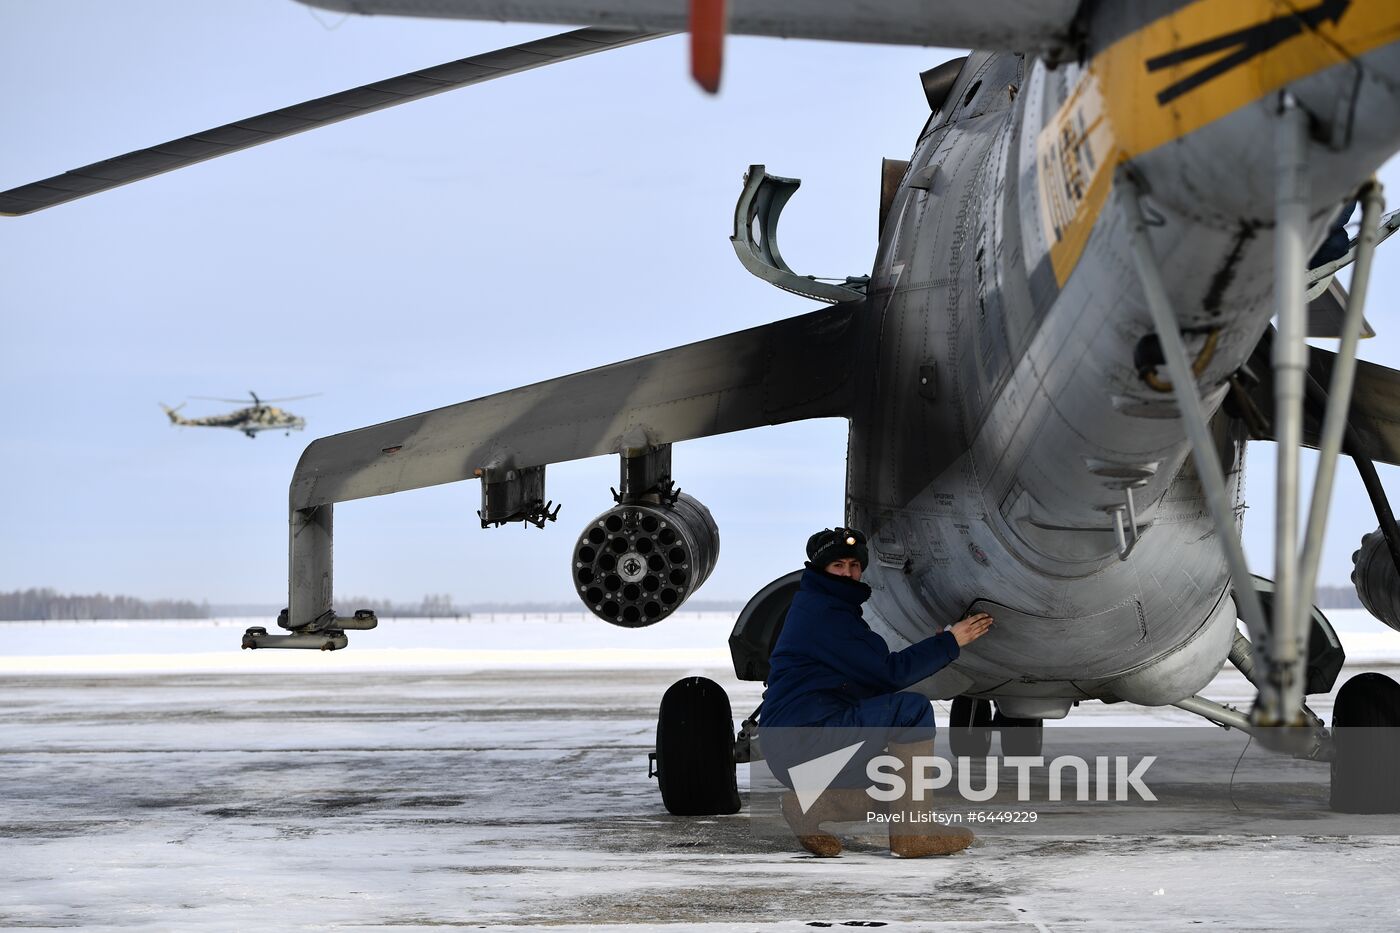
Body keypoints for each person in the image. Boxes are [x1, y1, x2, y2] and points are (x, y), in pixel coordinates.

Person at [759, 526, 993, 857]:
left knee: (894, 779)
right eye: (838, 565)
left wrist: (939, 642)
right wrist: (951, 642)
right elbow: (888, 673)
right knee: (912, 710)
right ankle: (914, 835)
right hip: (806, 740)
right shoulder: (826, 613)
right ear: (821, 568)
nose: (849, 572)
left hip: (797, 746)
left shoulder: (823, 606)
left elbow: (866, 678)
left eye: (854, 565)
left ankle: (807, 807)